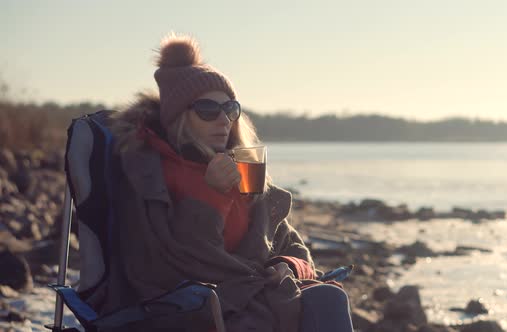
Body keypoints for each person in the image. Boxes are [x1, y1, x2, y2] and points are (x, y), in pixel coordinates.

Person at [89, 32, 354, 332]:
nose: (223, 120)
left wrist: (288, 264)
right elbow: (166, 267)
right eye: (207, 110)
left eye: (230, 109)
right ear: (178, 117)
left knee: (329, 297)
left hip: (247, 296)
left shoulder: (241, 167)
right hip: (192, 308)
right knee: (307, 309)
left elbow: (289, 242)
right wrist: (210, 194)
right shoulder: (151, 175)